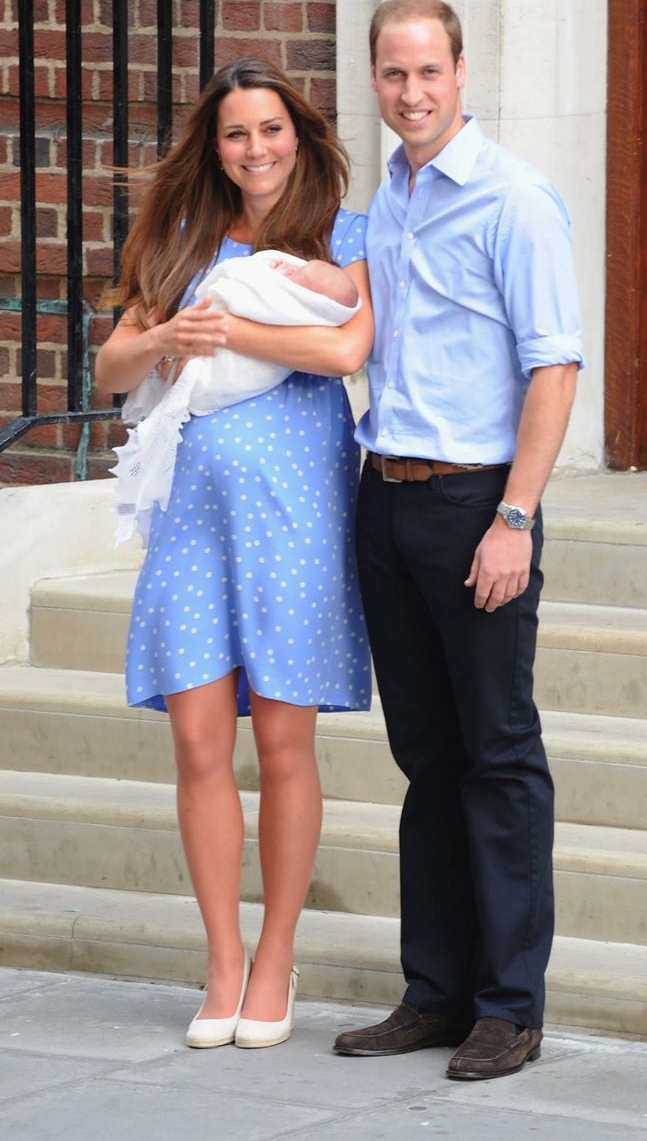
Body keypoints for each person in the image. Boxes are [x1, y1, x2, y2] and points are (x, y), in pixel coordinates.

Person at [95, 57, 374, 1050]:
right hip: (192, 520)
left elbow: (347, 351)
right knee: (199, 742)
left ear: (299, 134)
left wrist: (234, 327)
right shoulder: (180, 239)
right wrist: (172, 330)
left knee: (285, 745)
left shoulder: (340, 231)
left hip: (295, 512)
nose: (255, 148)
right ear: (212, 148)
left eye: (271, 129)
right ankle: (220, 960)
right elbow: (113, 361)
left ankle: (274, 957)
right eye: (235, 133)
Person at [332, 0, 583, 1079]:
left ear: (463, 73)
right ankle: (433, 992)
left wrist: (515, 518)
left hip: (479, 503)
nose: (412, 93)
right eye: (393, 74)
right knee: (426, 760)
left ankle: (507, 1006)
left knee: (498, 756)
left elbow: (555, 366)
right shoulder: (383, 198)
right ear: (376, 80)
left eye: (429, 71)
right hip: (384, 503)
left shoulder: (514, 199)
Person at [111, 250, 361, 546]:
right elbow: (110, 375)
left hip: (292, 494)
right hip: (192, 494)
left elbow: (344, 354)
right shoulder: (184, 240)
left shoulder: (345, 238)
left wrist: (217, 324)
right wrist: (159, 341)